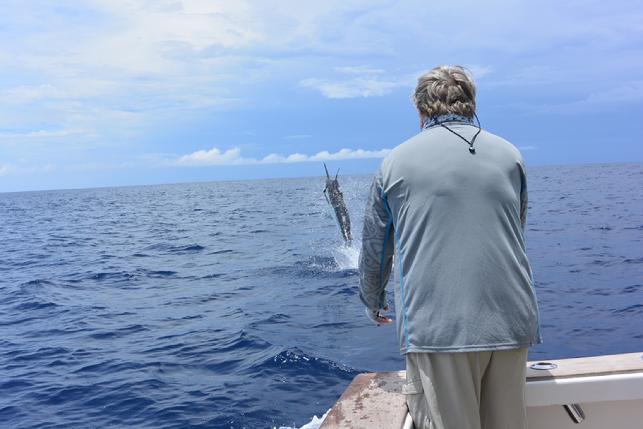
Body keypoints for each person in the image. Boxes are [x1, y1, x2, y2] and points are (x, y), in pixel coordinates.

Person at [358, 65, 541, 429]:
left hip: (439, 326)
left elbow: (376, 246)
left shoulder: (395, 162)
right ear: (470, 104)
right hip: (512, 321)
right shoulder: (511, 156)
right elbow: (516, 231)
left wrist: (372, 300)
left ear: (421, 109)